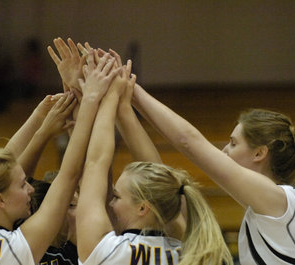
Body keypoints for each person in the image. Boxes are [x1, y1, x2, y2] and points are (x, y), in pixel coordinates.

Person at [0, 47, 118, 264]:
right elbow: (69, 175)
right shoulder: (16, 246)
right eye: (21, 185)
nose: (30, 188)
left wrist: (41, 119)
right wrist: (89, 98)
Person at [75, 50, 233, 265]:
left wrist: (107, 96)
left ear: (143, 208)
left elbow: (95, 163)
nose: (110, 202)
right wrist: (122, 106)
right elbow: (155, 174)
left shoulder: (109, 252)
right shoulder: (189, 252)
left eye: (118, 197)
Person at [131, 81, 295, 264]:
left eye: (233, 143)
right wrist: (127, 101)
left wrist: (133, 89)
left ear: (259, 153)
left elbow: (187, 141)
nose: (225, 150)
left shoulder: (279, 199)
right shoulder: (267, 204)